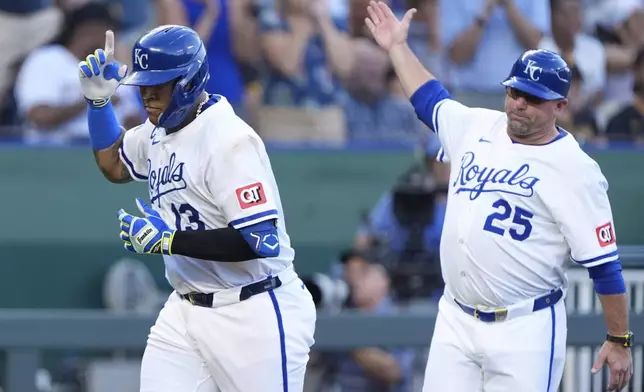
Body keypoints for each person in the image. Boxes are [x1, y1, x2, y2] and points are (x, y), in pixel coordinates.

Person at [363, 1, 633, 391]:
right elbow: (430, 100)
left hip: (524, 327)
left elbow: (604, 265)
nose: (519, 103)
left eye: (533, 98)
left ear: (560, 105)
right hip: (456, 319)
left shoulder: (575, 169)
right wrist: (397, 47)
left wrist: (618, 339)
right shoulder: (477, 126)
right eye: (515, 92)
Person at [77, 25, 316, 392]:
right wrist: (98, 104)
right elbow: (114, 164)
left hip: (254, 310)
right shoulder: (158, 131)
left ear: (188, 82)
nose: (147, 95)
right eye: (142, 83)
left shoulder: (230, 140)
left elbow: (259, 242)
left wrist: (171, 240)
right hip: (185, 310)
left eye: (159, 83)